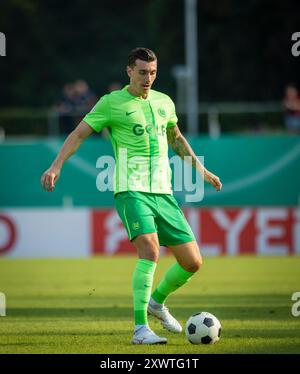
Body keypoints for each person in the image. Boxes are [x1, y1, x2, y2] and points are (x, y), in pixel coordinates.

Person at [41, 47, 222, 345]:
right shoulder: (112, 103)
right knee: (150, 251)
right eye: (142, 72)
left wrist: (202, 170)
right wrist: (56, 164)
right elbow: (78, 134)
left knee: (192, 262)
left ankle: (156, 303)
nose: (148, 78)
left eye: (152, 72)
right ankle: (140, 329)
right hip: (131, 189)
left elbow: (175, 138)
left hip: (164, 192)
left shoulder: (164, 101)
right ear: (129, 71)